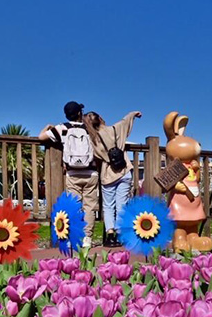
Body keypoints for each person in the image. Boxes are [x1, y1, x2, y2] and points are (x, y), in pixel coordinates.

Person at [38, 101, 100, 248]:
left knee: (75, 206)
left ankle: (74, 237)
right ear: (80, 113)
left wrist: (48, 127)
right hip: (91, 173)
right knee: (90, 207)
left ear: (66, 114)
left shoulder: (63, 128)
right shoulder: (90, 129)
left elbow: (41, 137)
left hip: (72, 173)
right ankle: (87, 238)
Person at [85, 111, 141, 247]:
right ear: (100, 118)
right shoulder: (115, 129)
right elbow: (125, 121)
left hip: (107, 173)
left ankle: (110, 235)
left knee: (108, 206)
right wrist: (133, 114)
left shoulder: (92, 139)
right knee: (122, 205)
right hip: (124, 171)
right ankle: (121, 235)